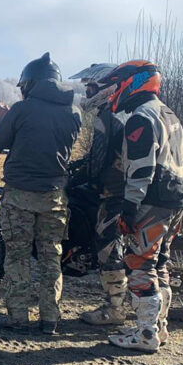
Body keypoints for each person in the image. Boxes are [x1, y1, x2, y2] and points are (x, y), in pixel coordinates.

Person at [88, 60, 183, 352]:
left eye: (118, 84)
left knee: (139, 263)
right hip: (176, 197)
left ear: (133, 83)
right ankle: (160, 327)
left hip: (151, 199)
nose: (115, 90)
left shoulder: (140, 118)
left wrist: (130, 207)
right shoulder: (169, 115)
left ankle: (146, 334)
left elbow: (141, 168)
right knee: (160, 264)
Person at [0, 52, 81, 334]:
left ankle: (18, 317)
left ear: (30, 84)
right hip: (54, 195)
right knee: (50, 256)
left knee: (17, 256)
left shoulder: (21, 109)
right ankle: (50, 319)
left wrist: (4, 119)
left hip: (19, 195)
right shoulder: (74, 112)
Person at [69, 63, 129, 327]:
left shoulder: (109, 116)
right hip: (122, 188)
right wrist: (78, 165)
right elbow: (96, 157)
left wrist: (75, 176)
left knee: (107, 248)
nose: (88, 91)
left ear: (107, 89)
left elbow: (99, 165)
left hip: (112, 192)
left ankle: (114, 309)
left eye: (92, 87)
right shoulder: (118, 113)